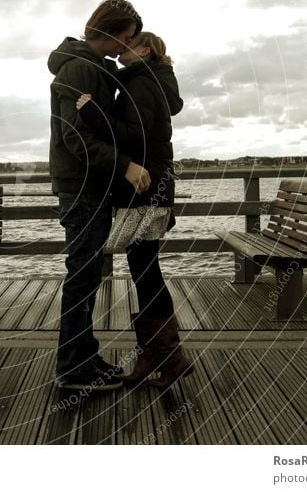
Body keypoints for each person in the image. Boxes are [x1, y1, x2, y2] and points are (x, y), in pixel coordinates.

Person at [76, 32, 193, 390]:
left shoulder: (143, 81)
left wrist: (94, 113)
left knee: (146, 268)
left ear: (142, 51)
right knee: (145, 267)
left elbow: (133, 135)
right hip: (152, 186)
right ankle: (157, 355)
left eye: (126, 43)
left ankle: (169, 356)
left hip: (146, 187)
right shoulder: (151, 80)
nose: (118, 47)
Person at [48, 0, 151, 391]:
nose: (128, 45)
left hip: (88, 186)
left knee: (87, 275)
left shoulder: (90, 67)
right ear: (110, 33)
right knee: (82, 276)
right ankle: (75, 369)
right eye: (126, 37)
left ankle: (84, 358)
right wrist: (124, 164)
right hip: (82, 187)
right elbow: (76, 134)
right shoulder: (79, 69)